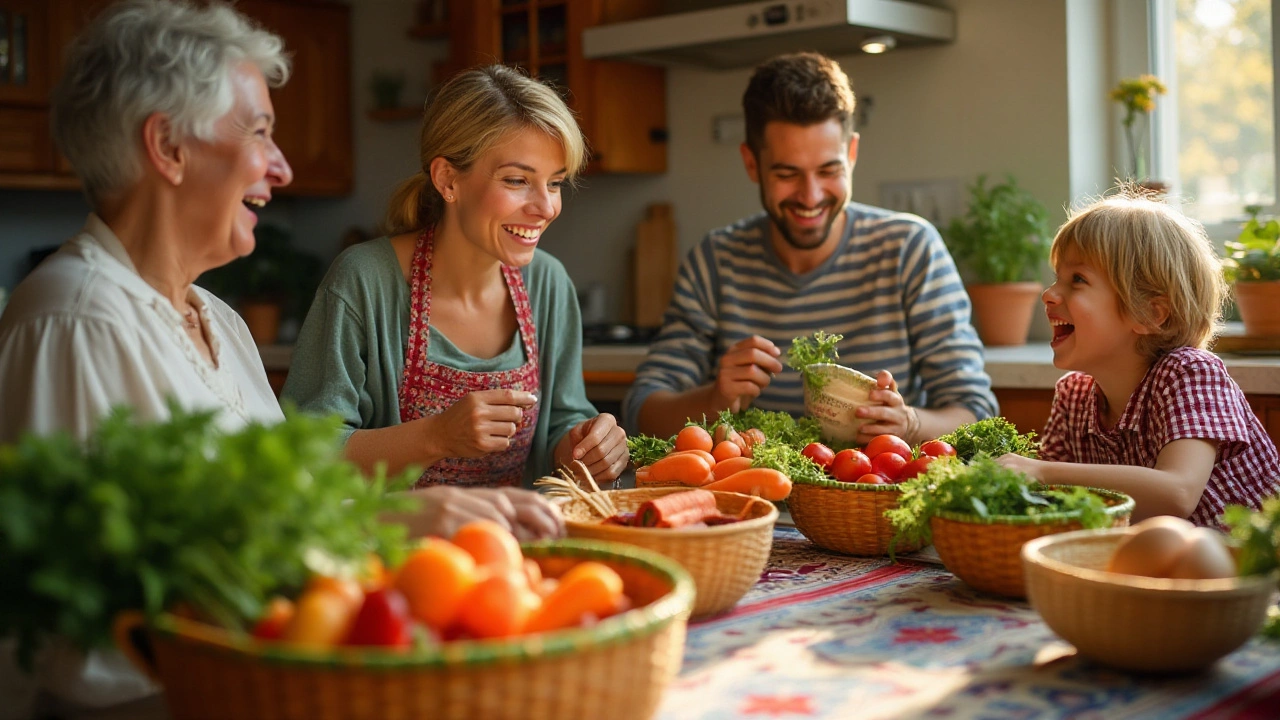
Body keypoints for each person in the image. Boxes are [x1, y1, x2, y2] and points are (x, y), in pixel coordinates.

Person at [282, 65, 629, 488]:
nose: (546, 207)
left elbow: (561, 420)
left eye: (554, 183)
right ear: (448, 179)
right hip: (393, 550)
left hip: (520, 546)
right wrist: (436, 435)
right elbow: (307, 451)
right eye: (518, 180)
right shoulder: (364, 281)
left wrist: (584, 446)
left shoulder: (548, 284)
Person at [623, 52, 997, 444]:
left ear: (851, 154)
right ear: (751, 163)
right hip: (757, 499)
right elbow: (641, 410)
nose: (811, 196)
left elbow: (976, 410)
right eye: (787, 174)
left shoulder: (909, 250)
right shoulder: (715, 262)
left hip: (875, 494)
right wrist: (716, 398)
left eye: (829, 170)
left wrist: (911, 424)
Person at [996, 191, 1279, 527]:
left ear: (1149, 314)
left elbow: (1176, 495)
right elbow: (1052, 504)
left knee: (1161, 537)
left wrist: (1040, 472)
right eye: (1057, 277)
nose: (1049, 293)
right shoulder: (1073, 396)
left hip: (1249, 566)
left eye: (1077, 280)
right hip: (1162, 569)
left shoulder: (1190, 374)